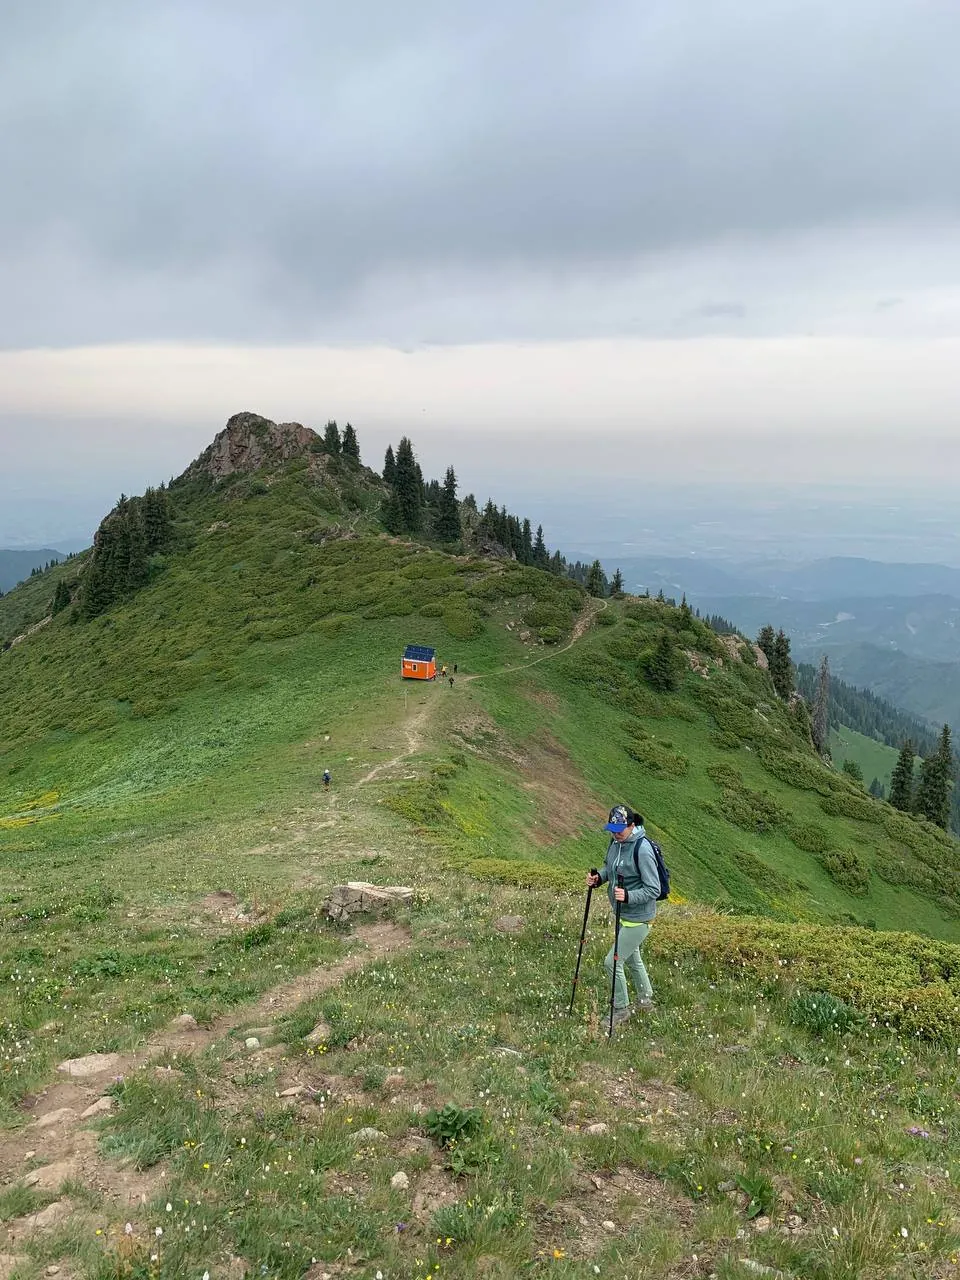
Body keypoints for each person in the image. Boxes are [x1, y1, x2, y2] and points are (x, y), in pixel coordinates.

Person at [586, 805, 659, 1029]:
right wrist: (599, 878)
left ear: (632, 826)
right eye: (612, 830)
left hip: (640, 917)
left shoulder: (642, 849)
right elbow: (610, 868)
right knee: (633, 959)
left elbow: (653, 889)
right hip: (621, 914)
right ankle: (646, 1001)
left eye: (620, 830)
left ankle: (621, 1009)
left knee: (612, 962)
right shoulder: (616, 843)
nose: (615, 834)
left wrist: (628, 896)